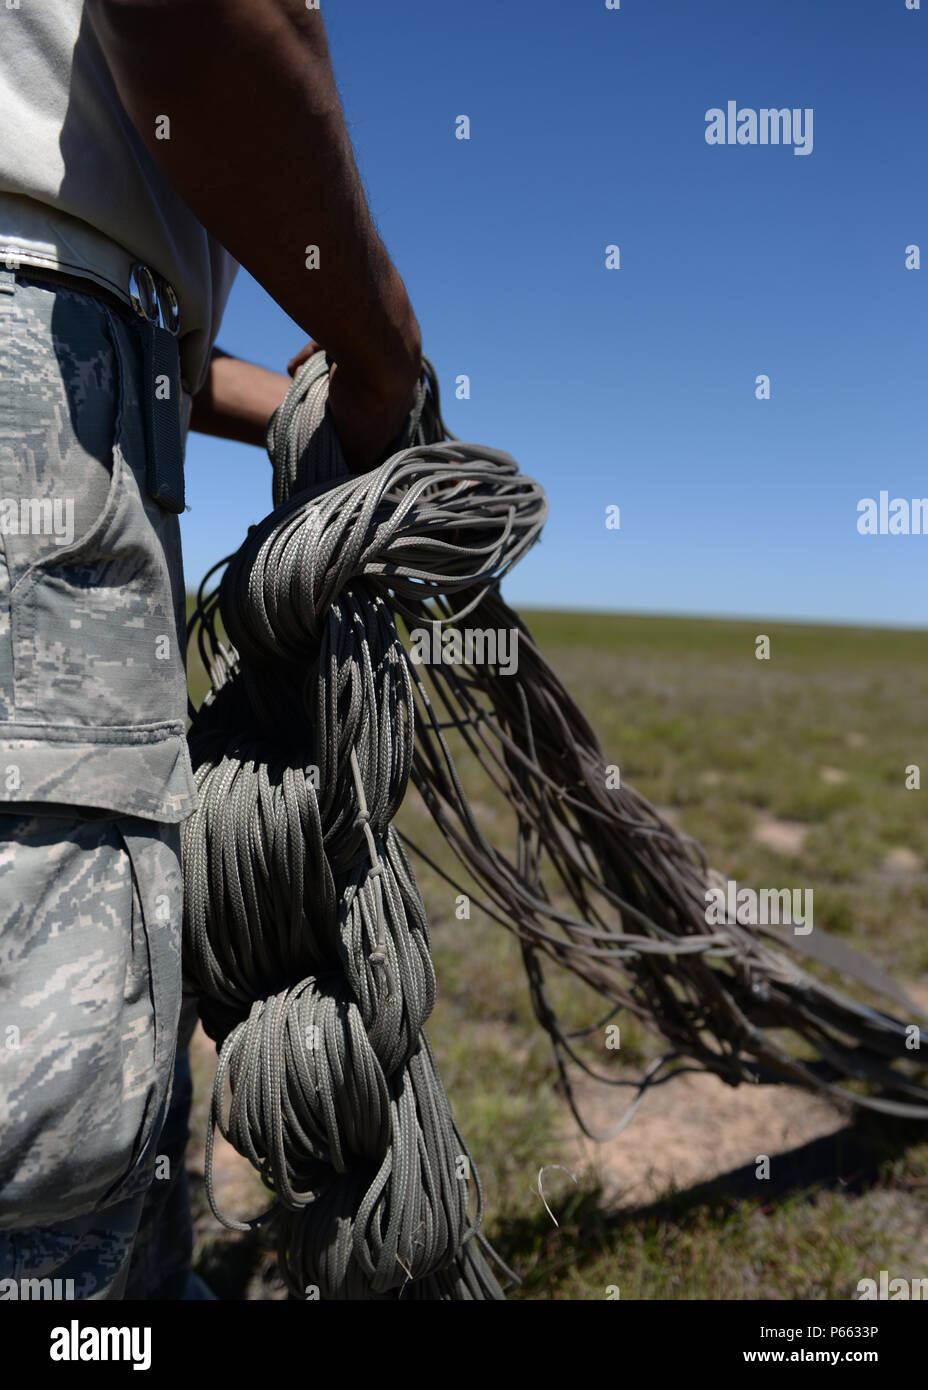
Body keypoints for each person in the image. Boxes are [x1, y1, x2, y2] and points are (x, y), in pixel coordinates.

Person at [0, 0, 422, 1300]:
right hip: (46, 379)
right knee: (55, 1102)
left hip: (87, 346)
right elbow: (201, 15)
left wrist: (295, 401)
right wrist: (375, 344)